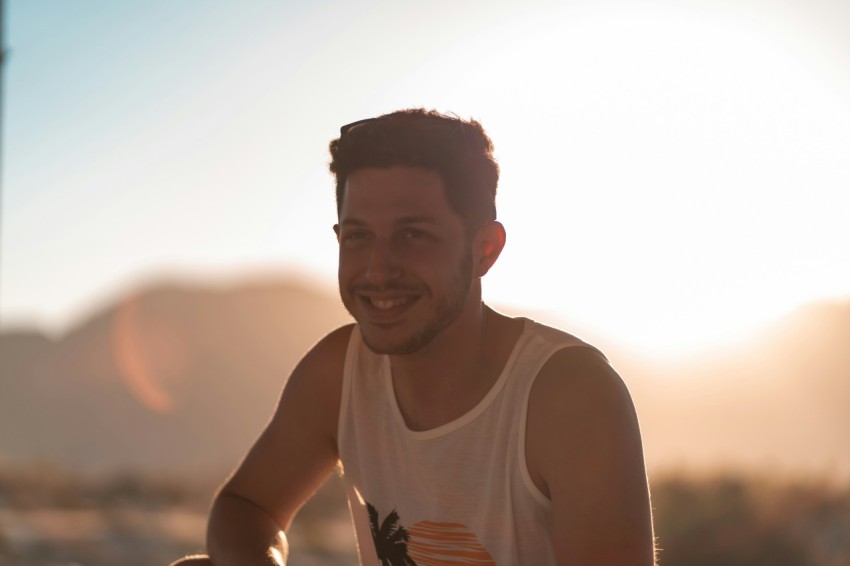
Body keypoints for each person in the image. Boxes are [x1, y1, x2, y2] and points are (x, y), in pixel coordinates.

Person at [171, 109, 656, 565]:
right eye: (358, 236)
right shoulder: (341, 371)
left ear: (485, 249)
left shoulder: (570, 395)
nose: (378, 270)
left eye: (413, 235)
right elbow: (247, 506)